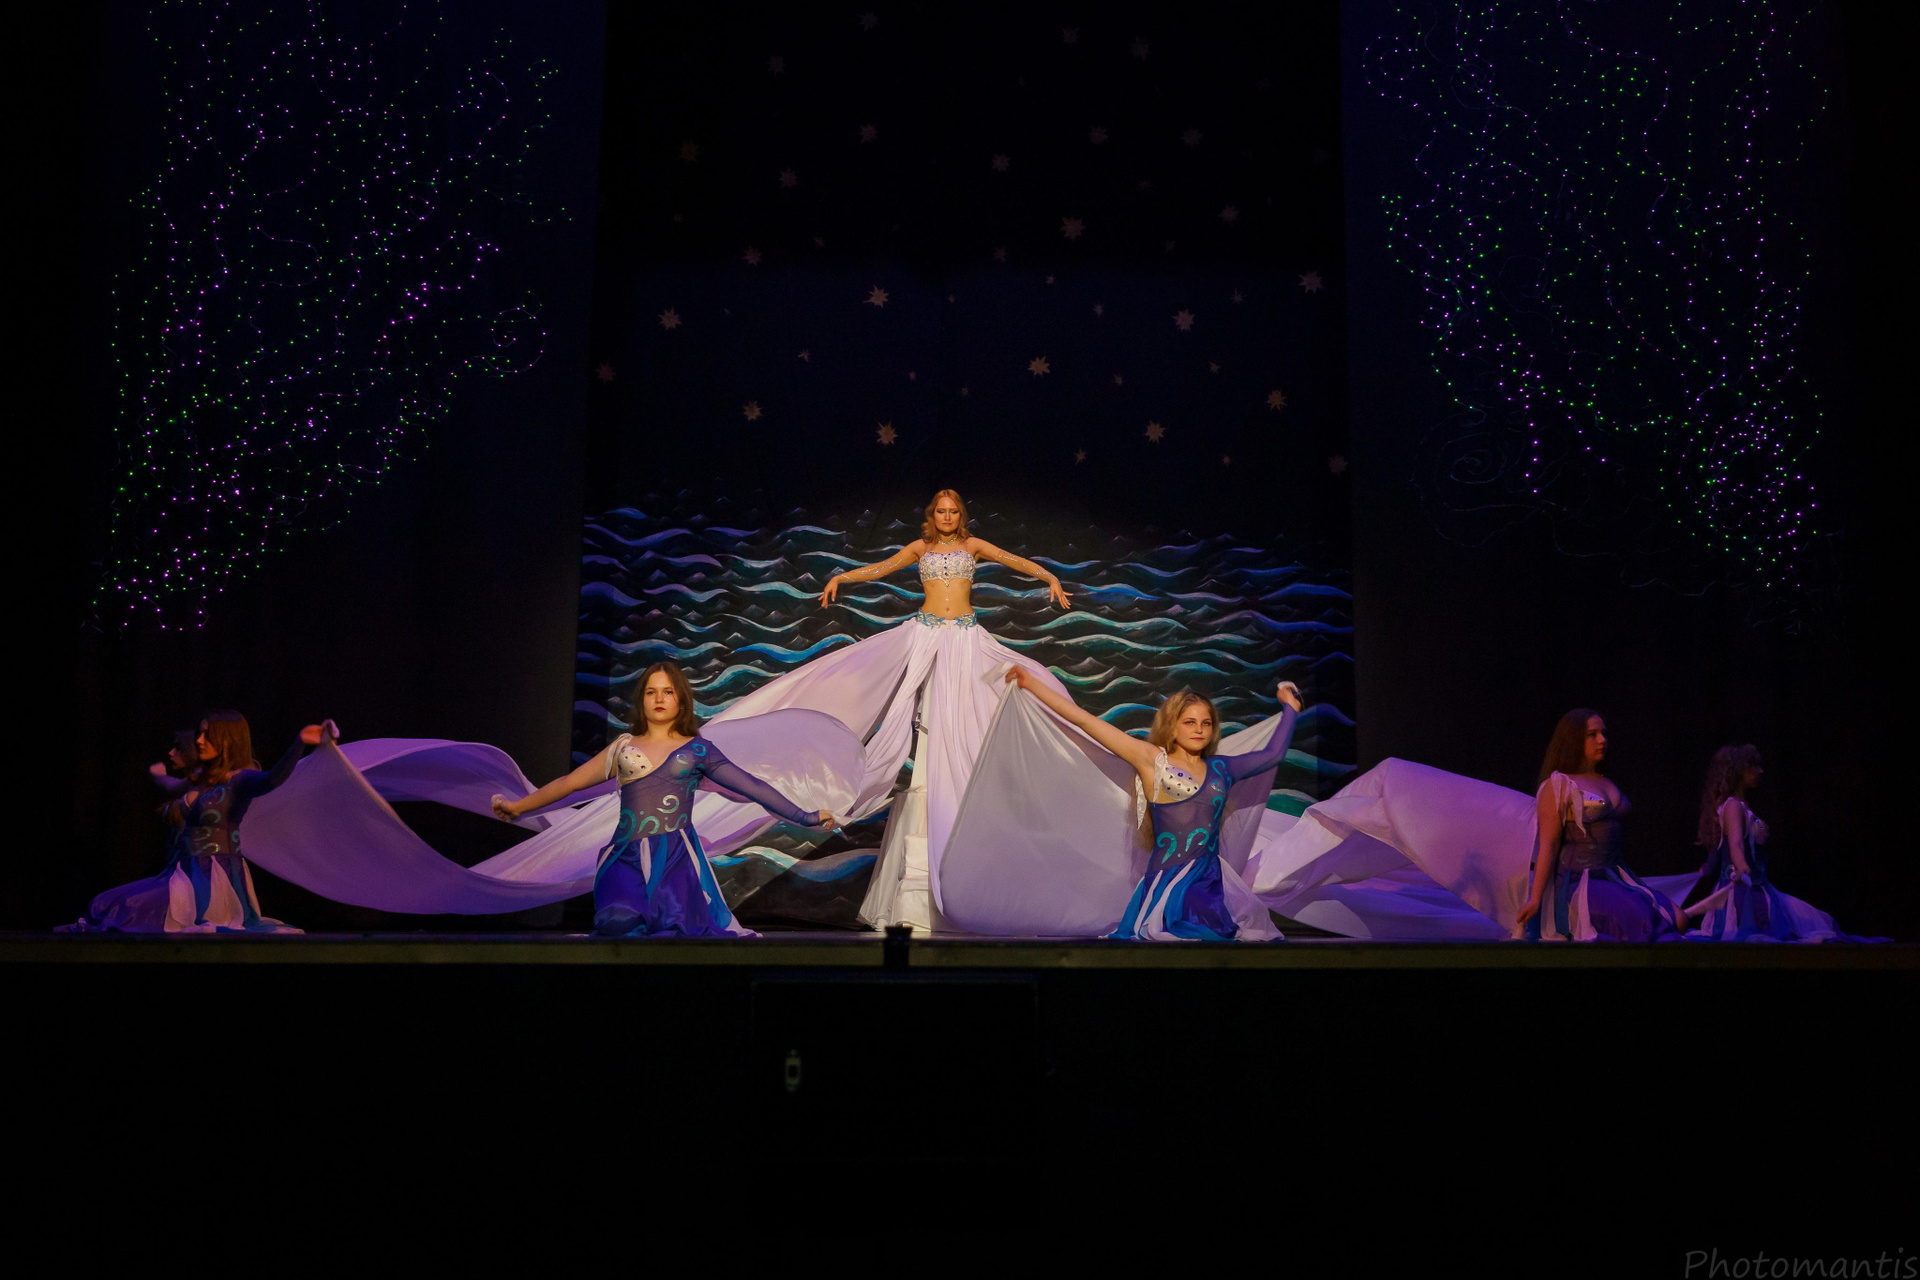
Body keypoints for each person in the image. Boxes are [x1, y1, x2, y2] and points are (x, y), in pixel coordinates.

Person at [706, 489, 1076, 932]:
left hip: (964, 637)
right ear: (932, 515)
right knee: (903, 702)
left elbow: (1012, 559)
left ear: (960, 515)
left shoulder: (973, 546)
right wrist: (843, 577)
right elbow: (882, 568)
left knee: (988, 699)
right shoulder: (920, 548)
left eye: (953, 511)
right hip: (926, 634)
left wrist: (1049, 578)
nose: (946, 516)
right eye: (940, 511)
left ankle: (973, 774)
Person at [493, 661, 833, 937]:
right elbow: (569, 784)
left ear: (681, 701)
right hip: (624, 855)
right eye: (651, 692)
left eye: (668, 692)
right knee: (619, 924)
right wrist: (518, 807)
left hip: (673, 860)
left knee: (675, 928)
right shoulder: (623, 748)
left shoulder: (697, 750)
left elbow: (752, 786)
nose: (659, 698)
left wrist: (805, 816)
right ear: (641, 701)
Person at [999, 668, 1302, 940]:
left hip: (1208, 886)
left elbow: (1273, 755)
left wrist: (1291, 708)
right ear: (1172, 726)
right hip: (1168, 885)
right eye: (1190, 722)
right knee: (1175, 939)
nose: (1199, 729)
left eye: (1206, 723)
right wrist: (1031, 685)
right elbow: (1084, 721)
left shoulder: (1223, 768)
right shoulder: (1151, 760)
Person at [63, 712, 329, 933]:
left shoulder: (240, 780)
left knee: (128, 910)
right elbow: (171, 785)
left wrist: (300, 742)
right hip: (180, 874)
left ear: (227, 740)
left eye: (207, 735)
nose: (199, 741)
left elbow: (273, 779)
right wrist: (157, 775)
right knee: (103, 904)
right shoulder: (201, 779)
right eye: (200, 734)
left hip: (211, 881)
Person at [1515, 709, 1685, 942]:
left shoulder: (1606, 779)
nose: (1602, 740)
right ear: (1574, 739)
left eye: (1603, 733)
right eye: (1592, 735)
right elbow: (1549, 845)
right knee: (1644, 922)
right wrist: (1535, 899)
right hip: (1580, 880)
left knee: (1679, 919)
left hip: (1615, 874)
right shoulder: (1559, 784)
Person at [1682, 745, 1868, 942]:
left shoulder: (1741, 806)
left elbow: (1725, 848)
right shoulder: (1733, 806)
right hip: (1744, 894)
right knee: (1796, 930)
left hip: (1760, 888)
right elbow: (1735, 843)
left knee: (1819, 921)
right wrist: (1742, 866)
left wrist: (1710, 867)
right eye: (1755, 766)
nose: (1760, 771)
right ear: (1741, 770)